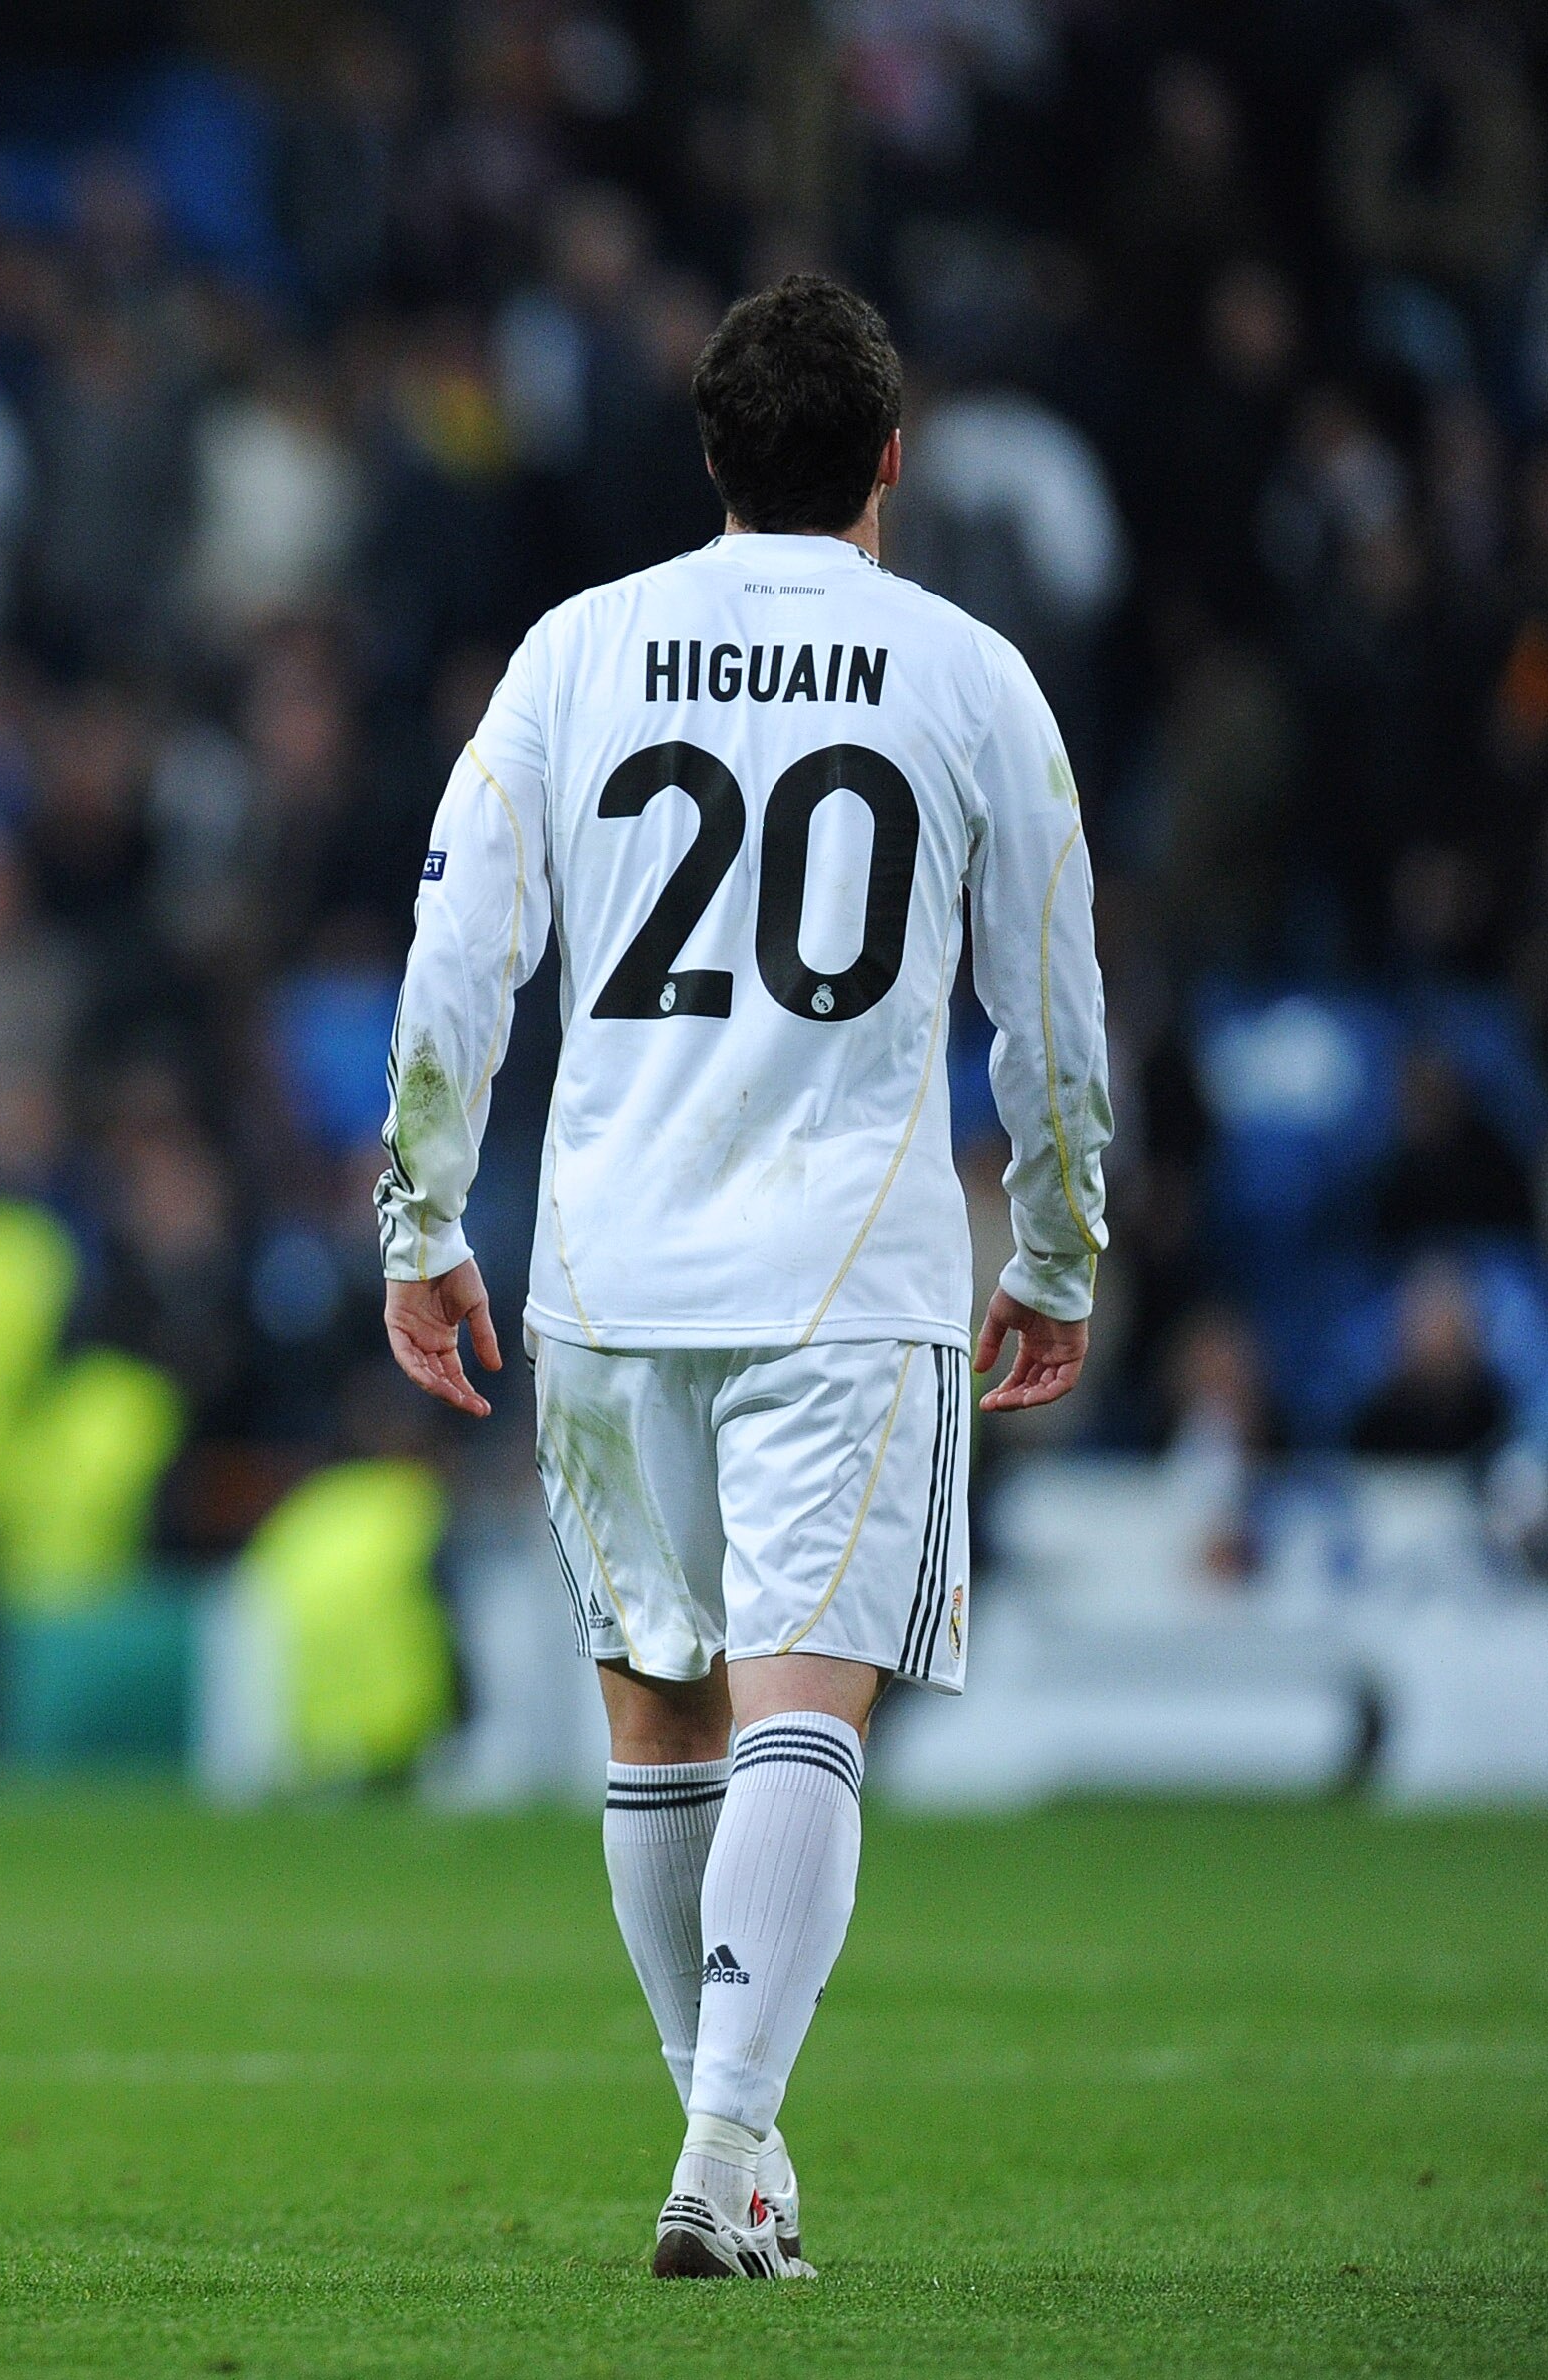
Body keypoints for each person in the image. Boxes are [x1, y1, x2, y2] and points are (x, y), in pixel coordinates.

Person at [376, 276, 1111, 2280]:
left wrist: (422, 1223)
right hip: (842, 1264)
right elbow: (1047, 1012)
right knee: (802, 1714)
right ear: (890, 461)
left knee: (657, 1726)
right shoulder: (963, 674)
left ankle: (727, 2150)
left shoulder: (571, 653)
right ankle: (720, 2146)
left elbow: (457, 962)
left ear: (707, 457)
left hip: (606, 1267)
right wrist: (1051, 1245)